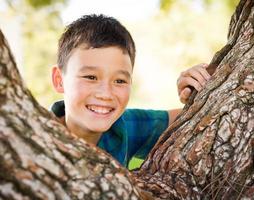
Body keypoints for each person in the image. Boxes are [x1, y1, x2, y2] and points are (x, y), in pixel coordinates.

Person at [51, 14, 213, 168]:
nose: (105, 94)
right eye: (90, 77)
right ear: (59, 80)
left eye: (119, 81)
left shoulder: (124, 126)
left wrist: (195, 89)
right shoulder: (38, 136)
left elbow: (200, 116)